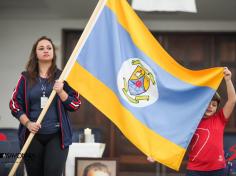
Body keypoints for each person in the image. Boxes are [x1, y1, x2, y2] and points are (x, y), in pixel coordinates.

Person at [9, 36, 81, 176]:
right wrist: (28, 123)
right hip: (32, 136)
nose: (45, 50)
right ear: (35, 54)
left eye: (49, 48)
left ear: (53, 53)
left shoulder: (63, 76)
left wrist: (61, 91)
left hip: (57, 136)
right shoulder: (25, 77)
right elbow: (14, 104)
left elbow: (75, 104)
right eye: (41, 48)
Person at [186, 67, 236, 176]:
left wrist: (228, 80)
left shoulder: (220, 118)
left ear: (217, 107)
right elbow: (175, 138)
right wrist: (157, 155)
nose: (210, 107)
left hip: (218, 169)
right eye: (208, 103)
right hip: (195, 170)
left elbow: (232, 100)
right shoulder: (191, 121)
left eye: (214, 105)